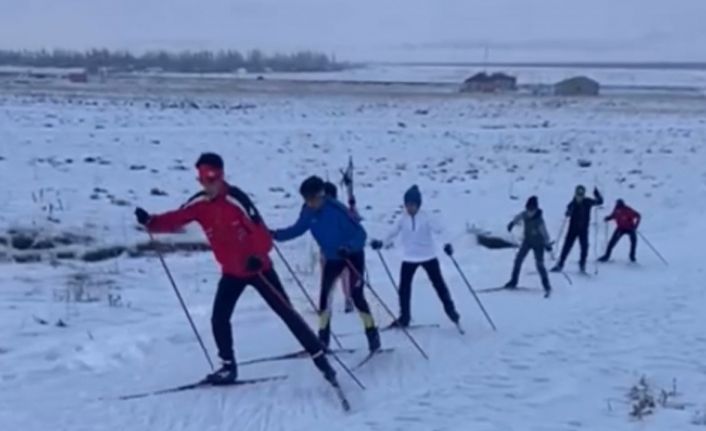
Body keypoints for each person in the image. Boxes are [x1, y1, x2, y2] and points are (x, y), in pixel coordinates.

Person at [134, 153, 336, 385]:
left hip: (258, 269)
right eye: (202, 179)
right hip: (232, 272)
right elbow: (177, 217)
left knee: (287, 313)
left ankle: (322, 361)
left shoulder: (237, 200)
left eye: (211, 178)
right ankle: (228, 368)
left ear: (221, 176)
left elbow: (262, 236)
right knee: (219, 318)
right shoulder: (199, 204)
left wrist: (257, 257)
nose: (207, 184)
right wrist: (151, 221)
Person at [271, 176, 381, 353]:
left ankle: (372, 334)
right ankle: (323, 340)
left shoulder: (337, 210)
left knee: (357, 296)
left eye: (312, 199)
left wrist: (349, 247)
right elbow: (297, 229)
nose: (309, 203)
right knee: (324, 300)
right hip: (333, 258)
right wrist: (275, 235)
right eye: (306, 199)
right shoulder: (308, 211)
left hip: (352, 256)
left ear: (321, 196)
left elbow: (361, 234)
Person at [370, 185, 460, 328]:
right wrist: (381, 242)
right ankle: (404, 317)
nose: (409, 208)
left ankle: (451, 311)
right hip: (409, 258)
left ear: (418, 204)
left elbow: (441, 231)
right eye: (407, 205)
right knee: (404, 288)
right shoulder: (403, 219)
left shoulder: (426, 218)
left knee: (439, 285)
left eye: (412, 205)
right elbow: (392, 232)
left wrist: (447, 244)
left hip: (428, 256)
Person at [505, 196, 553, 297]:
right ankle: (513, 281)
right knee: (518, 260)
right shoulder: (525, 214)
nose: (529, 212)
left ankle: (546, 285)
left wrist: (547, 244)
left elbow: (545, 234)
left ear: (535, 209)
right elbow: (518, 217)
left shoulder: (539, 221)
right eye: (528, 210)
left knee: (539, 264)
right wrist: (512, 223)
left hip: (539, 244)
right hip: (527, 241)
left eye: (532, 210)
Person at [551, 185, 603, 273]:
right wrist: (568, 213)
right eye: (578, 195)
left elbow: (600, 202)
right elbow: (567, 214)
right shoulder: (572, 204)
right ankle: (560, 264)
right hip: (572, 230)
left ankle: (582, 264)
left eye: (581, 195)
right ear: (575, 194)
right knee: (566, 247)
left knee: (584, 247)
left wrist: (597, 195)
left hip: (583, 230)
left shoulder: (587, 202)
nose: (580, 197)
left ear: (583, 194)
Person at [322, 182, 355, 313]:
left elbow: (353, 219)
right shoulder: (320, 212)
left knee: (345, 276)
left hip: (342, 251)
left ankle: (348, 300)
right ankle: (325, 303)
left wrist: (352, 204)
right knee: (327, 278)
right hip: (326, 251)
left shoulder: (341, 210)